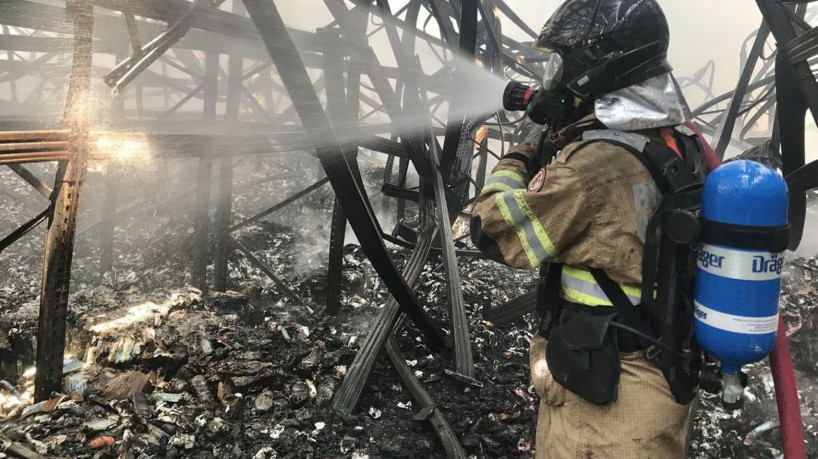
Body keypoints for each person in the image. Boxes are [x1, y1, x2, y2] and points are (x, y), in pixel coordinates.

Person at [470, 0, 707, 457]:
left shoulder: (594, 165)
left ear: (593, 69)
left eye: (561, 63)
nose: (553, 78)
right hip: (661, 374)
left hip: (606, 408)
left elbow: (492, 231)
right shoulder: (678, 140)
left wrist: (520, 155)